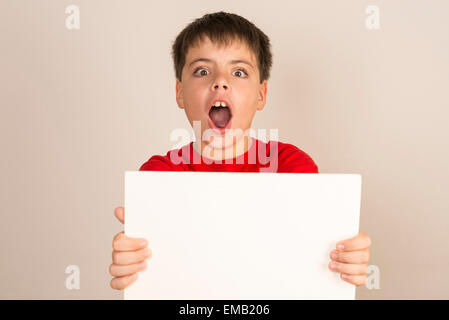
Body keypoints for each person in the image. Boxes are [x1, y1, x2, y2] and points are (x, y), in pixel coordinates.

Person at [109, 11, 372, 290]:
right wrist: (133, 262)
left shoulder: (291, 167)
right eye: (202, 71)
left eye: (238, 72)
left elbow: (303, 267)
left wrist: (342, 256)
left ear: (261, 95)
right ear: (179, 93)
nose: (220, 82)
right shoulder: (158, 176)